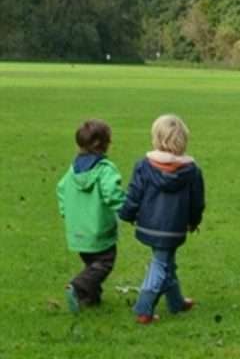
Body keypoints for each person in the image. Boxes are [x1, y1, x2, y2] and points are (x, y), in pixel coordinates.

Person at [119, 114, 206, 325]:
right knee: (161, 264)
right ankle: (143, 308)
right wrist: (194, 221)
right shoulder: (192, 171)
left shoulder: (144, 165)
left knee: (166, 262)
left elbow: (134, 194)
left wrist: (127, 214)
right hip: (174, 228)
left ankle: (176, 302)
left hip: (149, 225)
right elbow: (197, 202)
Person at [57, 119, 125, 313]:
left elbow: (61, 189)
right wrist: (128, 208)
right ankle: (78, 287)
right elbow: (112, 194)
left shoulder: (72, 170)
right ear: (102, 144)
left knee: (91, 263)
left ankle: (91, 298)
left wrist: (65, 212)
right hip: (98, 231)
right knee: (104, 262)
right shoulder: (104, 169)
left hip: (77, 231)